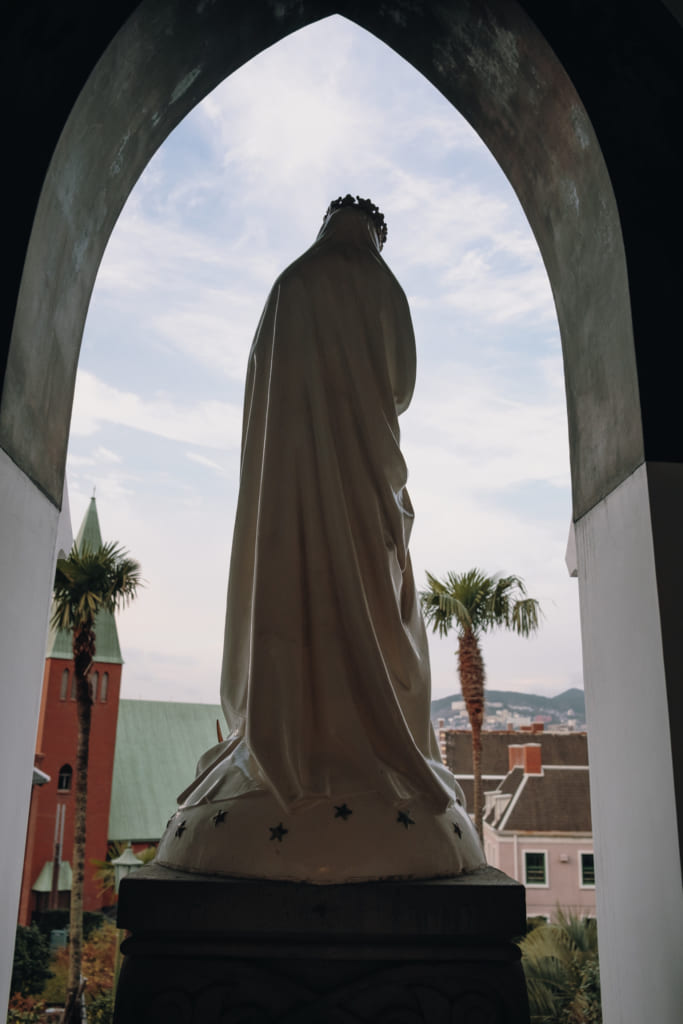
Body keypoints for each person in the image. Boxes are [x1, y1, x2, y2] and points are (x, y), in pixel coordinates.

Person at [157, 197, 484, 881]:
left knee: (293, 586)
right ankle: (365, 740)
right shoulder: (379, 284)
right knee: (371, 597)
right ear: (373, 233)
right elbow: (398, 388)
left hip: (290, 491)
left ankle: (295, 735)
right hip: (366, 489)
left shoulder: (289, 286)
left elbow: (259, 395)